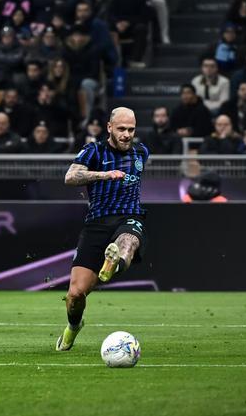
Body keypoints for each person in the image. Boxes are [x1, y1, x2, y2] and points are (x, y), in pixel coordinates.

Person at [56, 107, 149, 351]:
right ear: (109, 127)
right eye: (121, 129)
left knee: (128, 241)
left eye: (131, 129)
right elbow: (70, 177)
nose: (127, 134)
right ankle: (73, 327)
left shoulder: (141, 152)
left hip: (129, 216)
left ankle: (114, 263)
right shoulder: (94, 150)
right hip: (97, 222)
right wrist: (104, 175)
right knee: (75, 295)